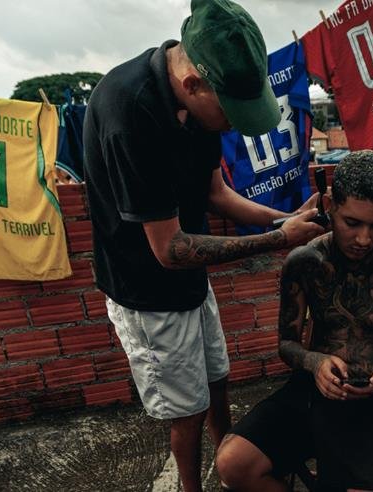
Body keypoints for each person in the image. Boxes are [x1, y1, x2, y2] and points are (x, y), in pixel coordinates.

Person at [81, 1, 324, 491]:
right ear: (192, 84)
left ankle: (228, 460)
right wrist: (278, 239)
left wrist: (285, 218)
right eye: (229, 112)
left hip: (191, 281)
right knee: (186, 411)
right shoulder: (130, 112)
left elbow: (217, 193)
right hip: (147, 293)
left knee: (216, 378)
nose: (232, 125)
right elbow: (169, 249)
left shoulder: (201, 107)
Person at [216, 150, 373, 491]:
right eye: (352, 222)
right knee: (234, 463)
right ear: (330, 205)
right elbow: (287, 344)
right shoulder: (304, 262)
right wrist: (315, 362)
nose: (364, 238)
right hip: (315, 389)